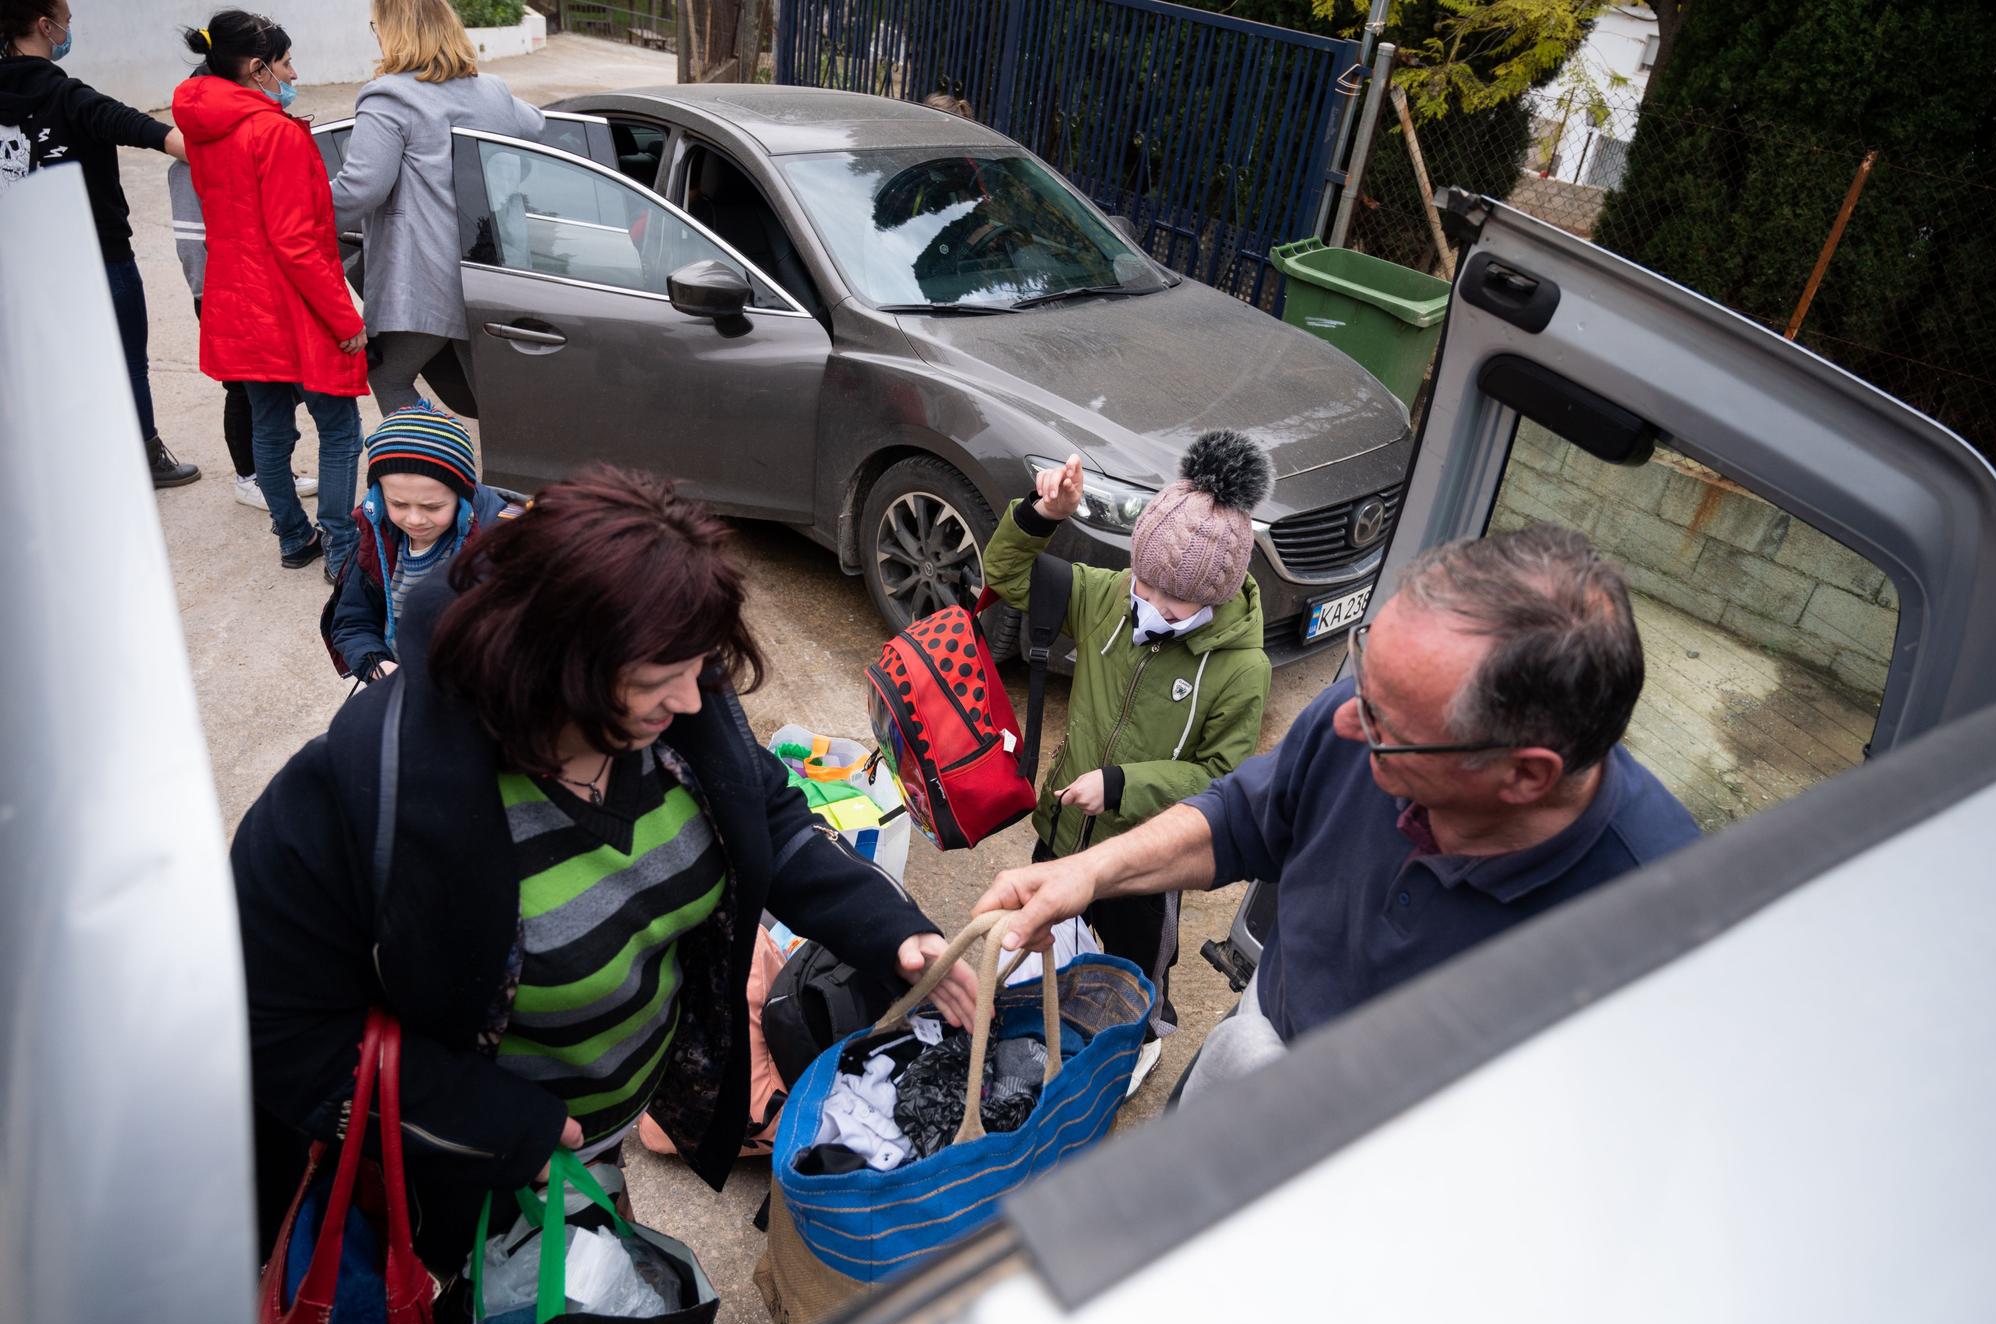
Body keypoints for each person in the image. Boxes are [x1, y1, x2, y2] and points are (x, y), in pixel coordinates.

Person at [233, 465, 980, 1269]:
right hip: (453, 1173)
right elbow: (280, 1032)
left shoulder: (676, 699)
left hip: (598, 1138)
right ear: (560, 675)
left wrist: (891, 932)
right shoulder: (361, 792)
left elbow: (764, 814)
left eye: (702, 670)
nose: (695, 701)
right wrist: (501, 1130)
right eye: (663, 684)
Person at [976, 525, 1703, 1104]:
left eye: (1385, 722)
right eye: (1362, 668)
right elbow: (1239, 817)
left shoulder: (1658, 926)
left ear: (1524, 775)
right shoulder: (1353, 717)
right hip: (1261, 1046)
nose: (1344, 721)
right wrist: (1090, 871)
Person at [980, 432, 1272, 1095]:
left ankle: (1139, 1042)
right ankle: (1040, 1008)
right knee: (1042, 930)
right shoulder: (1113, 595)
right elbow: (1004, 574)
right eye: (1145, 582)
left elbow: (1220, 778)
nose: (1149, 604)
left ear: (1214, 601)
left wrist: (1121, 786)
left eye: (1173, 603)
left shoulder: (1241, 670)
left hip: (1146, 856)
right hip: (1062, 828)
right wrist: (1040, 516)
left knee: (1137, 962)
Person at [175, 11, 366, 579]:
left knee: (270, 425)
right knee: (338, 428)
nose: (293, 71)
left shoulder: (205, 129)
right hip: (292, 302)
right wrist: (343, 318)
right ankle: (338, 545)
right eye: (285, 62)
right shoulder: (273, 133)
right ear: (258, 69)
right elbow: (296, 241)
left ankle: (292, 537)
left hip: (238, 298)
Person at [0, 0, 197, 487]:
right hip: (98, 257)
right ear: (45, 27)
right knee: (127, 360)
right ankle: (145, 455)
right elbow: (153, 133)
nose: (69, 29)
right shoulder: (68, 96)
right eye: (66, 20)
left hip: (22, 261)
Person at [331, 0, 542, 414]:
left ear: (394, 33)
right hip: (490, 268)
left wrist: (294, 216)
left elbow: (361, 188)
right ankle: (495, 474)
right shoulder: (492, 90)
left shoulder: (390, 95)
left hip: (428, 277)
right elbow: (536, 127)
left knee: (389, 376)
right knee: (493, 399)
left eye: (377, 28)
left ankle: (433, 469)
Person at [322, 400, 515, 684]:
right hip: (399, 683)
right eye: (398, 503)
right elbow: (352, 621)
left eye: (433, 507)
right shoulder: (376, 537)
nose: (414, 519)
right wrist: (377, 666)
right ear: (377, 498)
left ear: (463, 498)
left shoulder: (499, 547)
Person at [167, 156, 318, 510]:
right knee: (241, 388)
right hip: (222, 295)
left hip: (254, 288)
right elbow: (190, 243)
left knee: (273, 386)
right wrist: (209, 295)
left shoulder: (239, 149)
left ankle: (274, 471)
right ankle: (248, 477)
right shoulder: (188, 166)